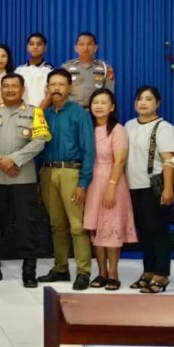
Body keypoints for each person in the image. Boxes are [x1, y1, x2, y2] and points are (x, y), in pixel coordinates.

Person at [0, 74, 49, 287]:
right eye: (5, 86)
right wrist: (1, 162)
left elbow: (39, 141)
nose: (9, 90)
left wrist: (14, 160)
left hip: (23, 179)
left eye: (14, 86)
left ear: (22, 89)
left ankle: (29, 270)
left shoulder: (35, 113)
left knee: (27, 224)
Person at [37, 69, 96, 290]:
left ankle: (83, 272)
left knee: (77, 225)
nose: (57, 89)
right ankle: (60, 268)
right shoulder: (44, 114)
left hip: (71, 172)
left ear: (70, 88)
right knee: (56, 225)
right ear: (47, 88)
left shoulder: (79, 113)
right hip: (46, 172)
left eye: (61, 85)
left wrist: (83, 183)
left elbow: (89, 150)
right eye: (52, 84)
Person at [124, 86, 174, 294]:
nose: (143, 103)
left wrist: (167, 188)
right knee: (145, 232)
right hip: (133, 186)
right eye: (140, 99)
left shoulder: (164, 128)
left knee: (159, 232)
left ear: (158, 103)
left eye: (149, 99)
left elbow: (170, 160)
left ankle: (161, 274)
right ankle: (148, 271)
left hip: (154, 188)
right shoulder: (129, 126)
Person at [82, 89, 135, 291]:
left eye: (104, 103)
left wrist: (111, 187)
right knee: (96, 229)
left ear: (112, 107)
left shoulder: (118, 130)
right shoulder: (88, 128)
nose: (99, 106)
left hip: (112, 180)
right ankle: (101, 272)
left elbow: (120, 160)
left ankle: (113, 273)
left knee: (111, 229)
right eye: (95, 102)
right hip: (91, 181)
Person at [62, 32, 115, 108]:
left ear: (95, 48)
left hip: (96, 111)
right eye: (81, 44)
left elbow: (109, 92)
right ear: (76, 48)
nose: (85, 48)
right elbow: (62, 91)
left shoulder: (106, 68)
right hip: (72, 110)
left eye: (89, 44)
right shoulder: (66, 67)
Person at [14, 33, 52, 108]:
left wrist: (38, 112)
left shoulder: (50, 71)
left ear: (45, 47)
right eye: (31, 44)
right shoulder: (18, 70)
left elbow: (50, 95)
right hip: (20, 114)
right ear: (27, 47)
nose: (35, 47)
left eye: (39, 44)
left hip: (42, 113)